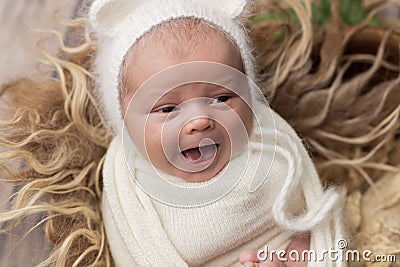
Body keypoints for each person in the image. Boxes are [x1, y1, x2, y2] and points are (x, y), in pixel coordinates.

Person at [0, 0, 345, 266]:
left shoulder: (272, 146)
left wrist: (304, 252)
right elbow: (135, 256)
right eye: (168, 108)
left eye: (222, 97)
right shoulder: (129, 186)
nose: (199, 121)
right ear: (126, 125)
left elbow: (316, 215)